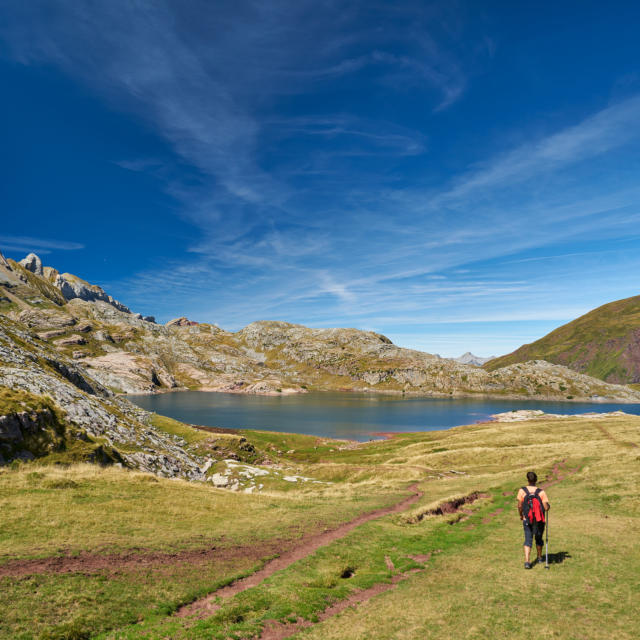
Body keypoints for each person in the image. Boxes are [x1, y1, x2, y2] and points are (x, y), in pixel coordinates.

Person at [517, 471, 550, 569]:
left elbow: (519, 506)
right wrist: (548, 505)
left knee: (528, 539)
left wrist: (521, 515)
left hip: (527, 519)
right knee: (539, 538)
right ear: (536, 480)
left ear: (528, 480)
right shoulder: (541, 492)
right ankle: (539, 557)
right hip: (539, 520)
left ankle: (527, 561)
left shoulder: (522, 491)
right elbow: (546, 508)